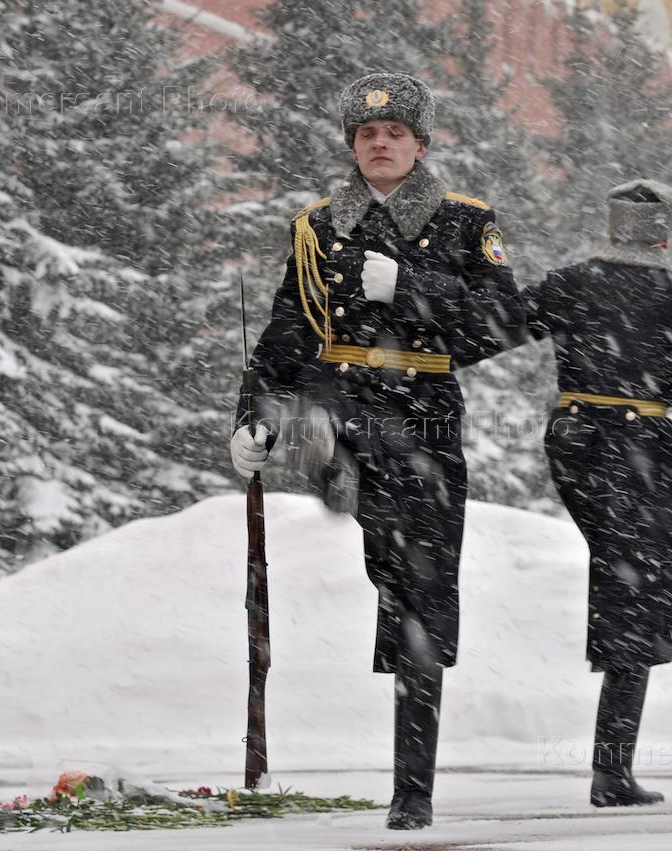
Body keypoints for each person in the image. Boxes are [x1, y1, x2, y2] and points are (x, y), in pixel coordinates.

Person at [229, 72, 525, 830]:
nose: (380, 143)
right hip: (347, 401)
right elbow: (290, 329)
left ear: (421, 145)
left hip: (423, 411)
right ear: (352, 146)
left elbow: (503, 323)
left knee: (418, 594)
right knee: (396, 574)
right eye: (367, 134)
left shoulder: (465, 222)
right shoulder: (316, 226)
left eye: (395, 133)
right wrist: (254, 417)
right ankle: (323, 456)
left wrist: (413, 288)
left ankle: (411, 787)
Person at [523, 179, 672, 806]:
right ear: (666, 236)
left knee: (633, 562)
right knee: (636, 587)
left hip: (572, 439)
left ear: (612, 228)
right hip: (639, 443)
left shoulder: (570, 282)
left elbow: (492, 325)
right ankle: (612, 772)